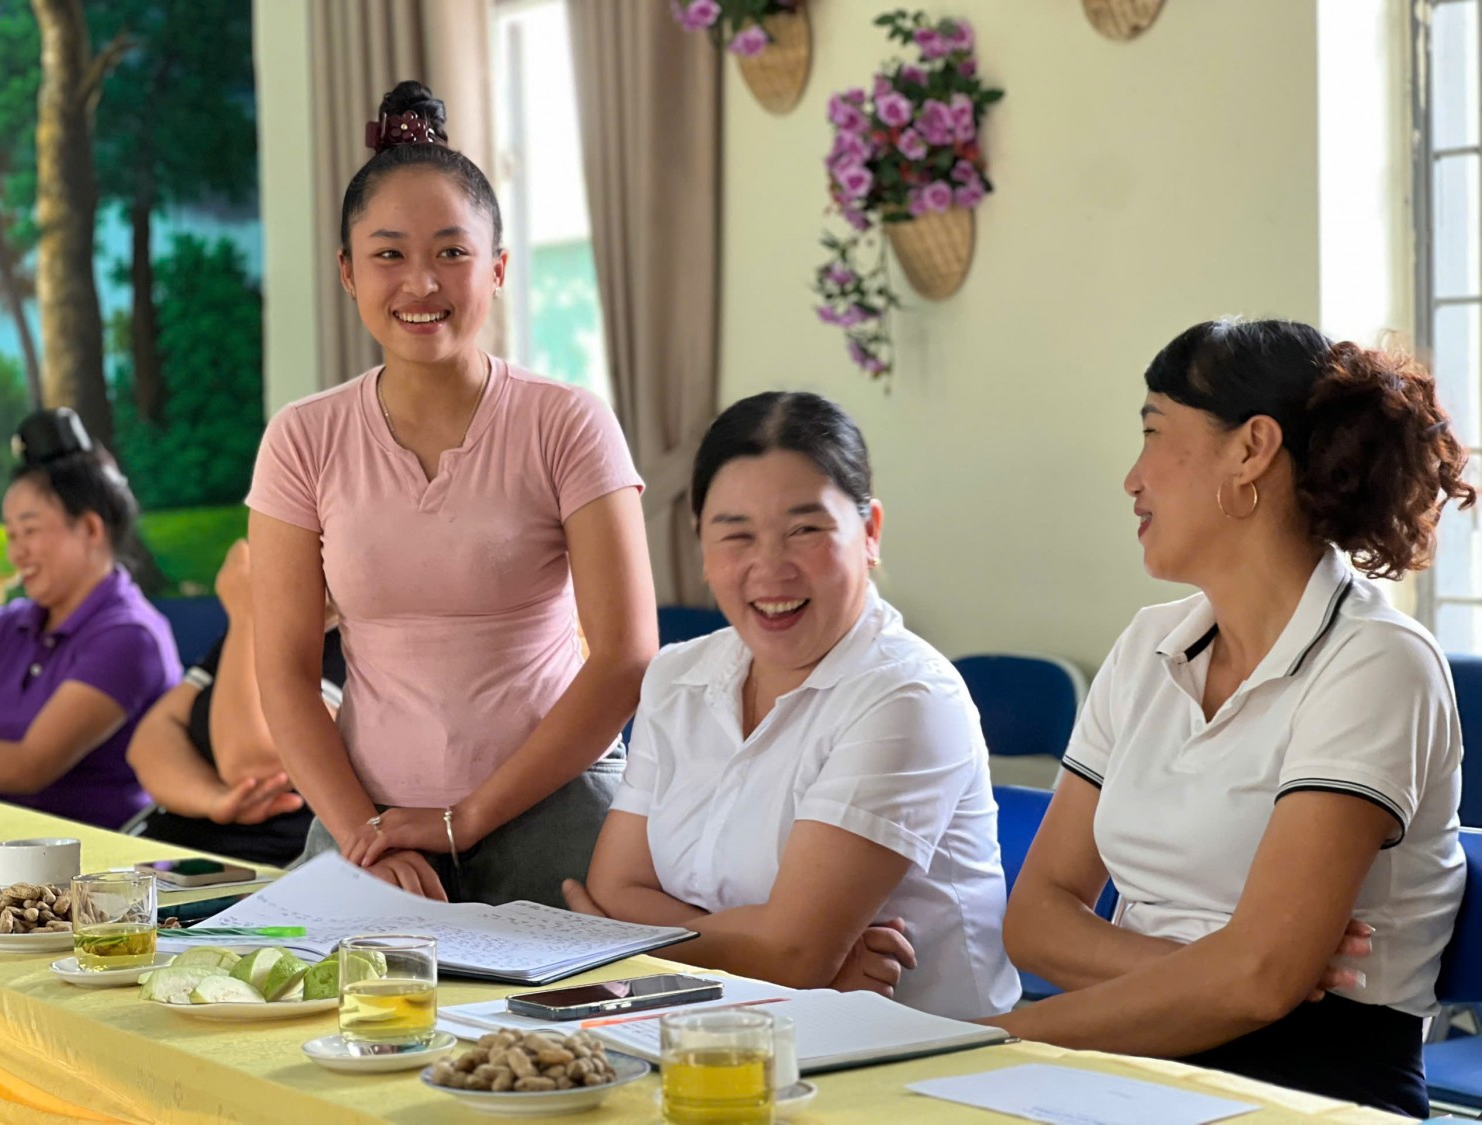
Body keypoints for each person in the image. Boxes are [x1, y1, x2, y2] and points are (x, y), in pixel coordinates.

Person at [994, 319, 1472, 1118]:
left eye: (1153, 433)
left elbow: (1258, 984)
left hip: (1314, 1087)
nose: (1132, 478)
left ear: (1251, 449)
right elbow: (1035, 920)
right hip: (1136, 1058)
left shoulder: (1378, 662)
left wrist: (996, 1036)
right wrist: (1218, 971)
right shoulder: (1147, 644)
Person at [247, 81, 656, 904]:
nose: (420, 283)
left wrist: (463, 820)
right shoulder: (302, 437)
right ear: (347, 272)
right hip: (369, 822)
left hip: (556, 812)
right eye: (389, 255)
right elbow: (285, 674)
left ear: (497, 268)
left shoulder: (568, 422)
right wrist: (364, 836)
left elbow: (625, 655)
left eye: (451, 253)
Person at [562, 392, 1021, 1020]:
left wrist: (629, 940)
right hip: (721, 1026)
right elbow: (617, 887)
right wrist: (773, 954)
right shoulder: (677, 676)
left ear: (870, 532)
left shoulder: (906, 696)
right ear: (701, 545)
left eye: (805, 530)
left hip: (916, 1050)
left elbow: (792, 954)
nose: (770, 567)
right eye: (736, 535)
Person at [0, 409, 179, 830]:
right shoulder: (11, 625)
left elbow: (28, 767)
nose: (16, 552)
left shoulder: (131, 637)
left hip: (93, 862)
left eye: (30, 531)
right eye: (11, 535)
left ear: (90, 529)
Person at [128, 540, 345, 867]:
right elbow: (149, 741)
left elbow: (251, 764)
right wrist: (215, 800)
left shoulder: (354, 652)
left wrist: (247, 614)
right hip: (168, 847)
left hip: (259, 869)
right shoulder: (267, 628)